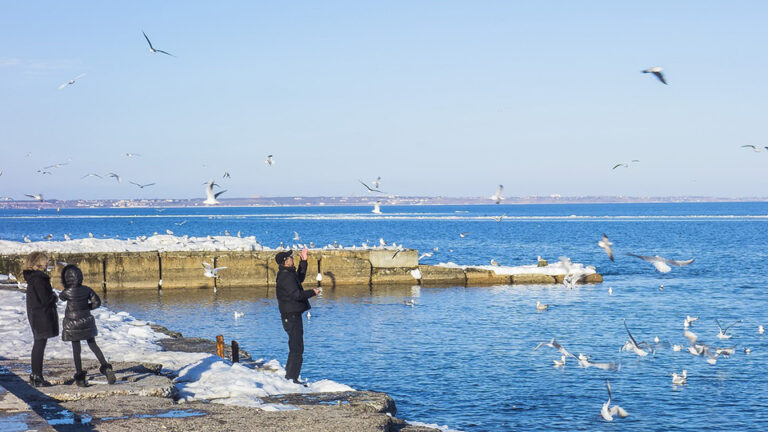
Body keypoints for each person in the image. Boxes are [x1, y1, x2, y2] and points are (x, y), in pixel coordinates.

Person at [58, 264, 116, 387]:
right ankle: (106, 367)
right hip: (86, 321)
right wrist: (87, 307)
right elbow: (97, 302)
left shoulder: (67, 292)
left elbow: (61, 298)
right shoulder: (87, 289)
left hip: (72, 324)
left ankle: (80, 377)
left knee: (76, 349)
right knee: (93, 344)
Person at [275, 247, 320, 384]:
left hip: (293, 315)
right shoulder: (285, 277)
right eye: (290, 258)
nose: (292, 258)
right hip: (291, 316)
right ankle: (292, 379)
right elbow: (297, 295)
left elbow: (299, 278)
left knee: (296, 347)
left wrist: (304, 261)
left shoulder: (287, 273)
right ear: (285, 262)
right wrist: (313, 292)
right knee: (297, 348)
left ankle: (290, 376)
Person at [23, 251, 59, 387]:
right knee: (39, 343)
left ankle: (36, 375)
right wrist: (54, 297)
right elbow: (44, 298)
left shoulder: (34, 278)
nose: (47, 264)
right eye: (45, 262)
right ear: (38, 264)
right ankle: (36, 376)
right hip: (40, 315)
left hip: (37, 314)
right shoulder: (39, 278)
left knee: (39, 343)